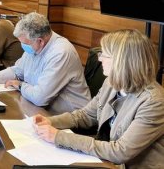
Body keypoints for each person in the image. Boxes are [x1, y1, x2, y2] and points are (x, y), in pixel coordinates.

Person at [33, 29, 164, 168]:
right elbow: (85, 115)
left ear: (122, 62)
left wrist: (59, 137)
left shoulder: (154, 102)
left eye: (104, 54)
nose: (99, 58)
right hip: (106, 162)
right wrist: (50, 121)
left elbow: (120, 151)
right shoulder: (111, 83)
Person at [0, 12, 90, 114]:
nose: (23, 46)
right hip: (41, 110)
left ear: (40, 41)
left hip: (71, 119)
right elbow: (17, 70)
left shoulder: (60, 53)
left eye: (25, 43)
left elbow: (40, 98)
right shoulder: (34, 46)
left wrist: (20, 85)